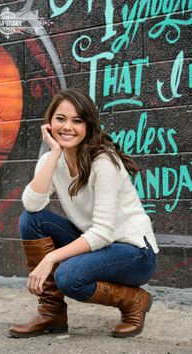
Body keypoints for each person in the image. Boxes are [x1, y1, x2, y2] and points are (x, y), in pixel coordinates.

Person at [9, 88, 159, 339]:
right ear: (50, 123)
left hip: (135, 253)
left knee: (68, 277)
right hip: (100, 247)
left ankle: (135, 300)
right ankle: (51, 313)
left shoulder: (104, 161)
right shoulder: (51, 159)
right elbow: (32, 205)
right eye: (61, 119)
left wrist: (50, 259)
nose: (68, 127)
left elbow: (102, 233)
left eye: (77, 121)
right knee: (31, 220)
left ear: (88, 126)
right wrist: (54, 153)